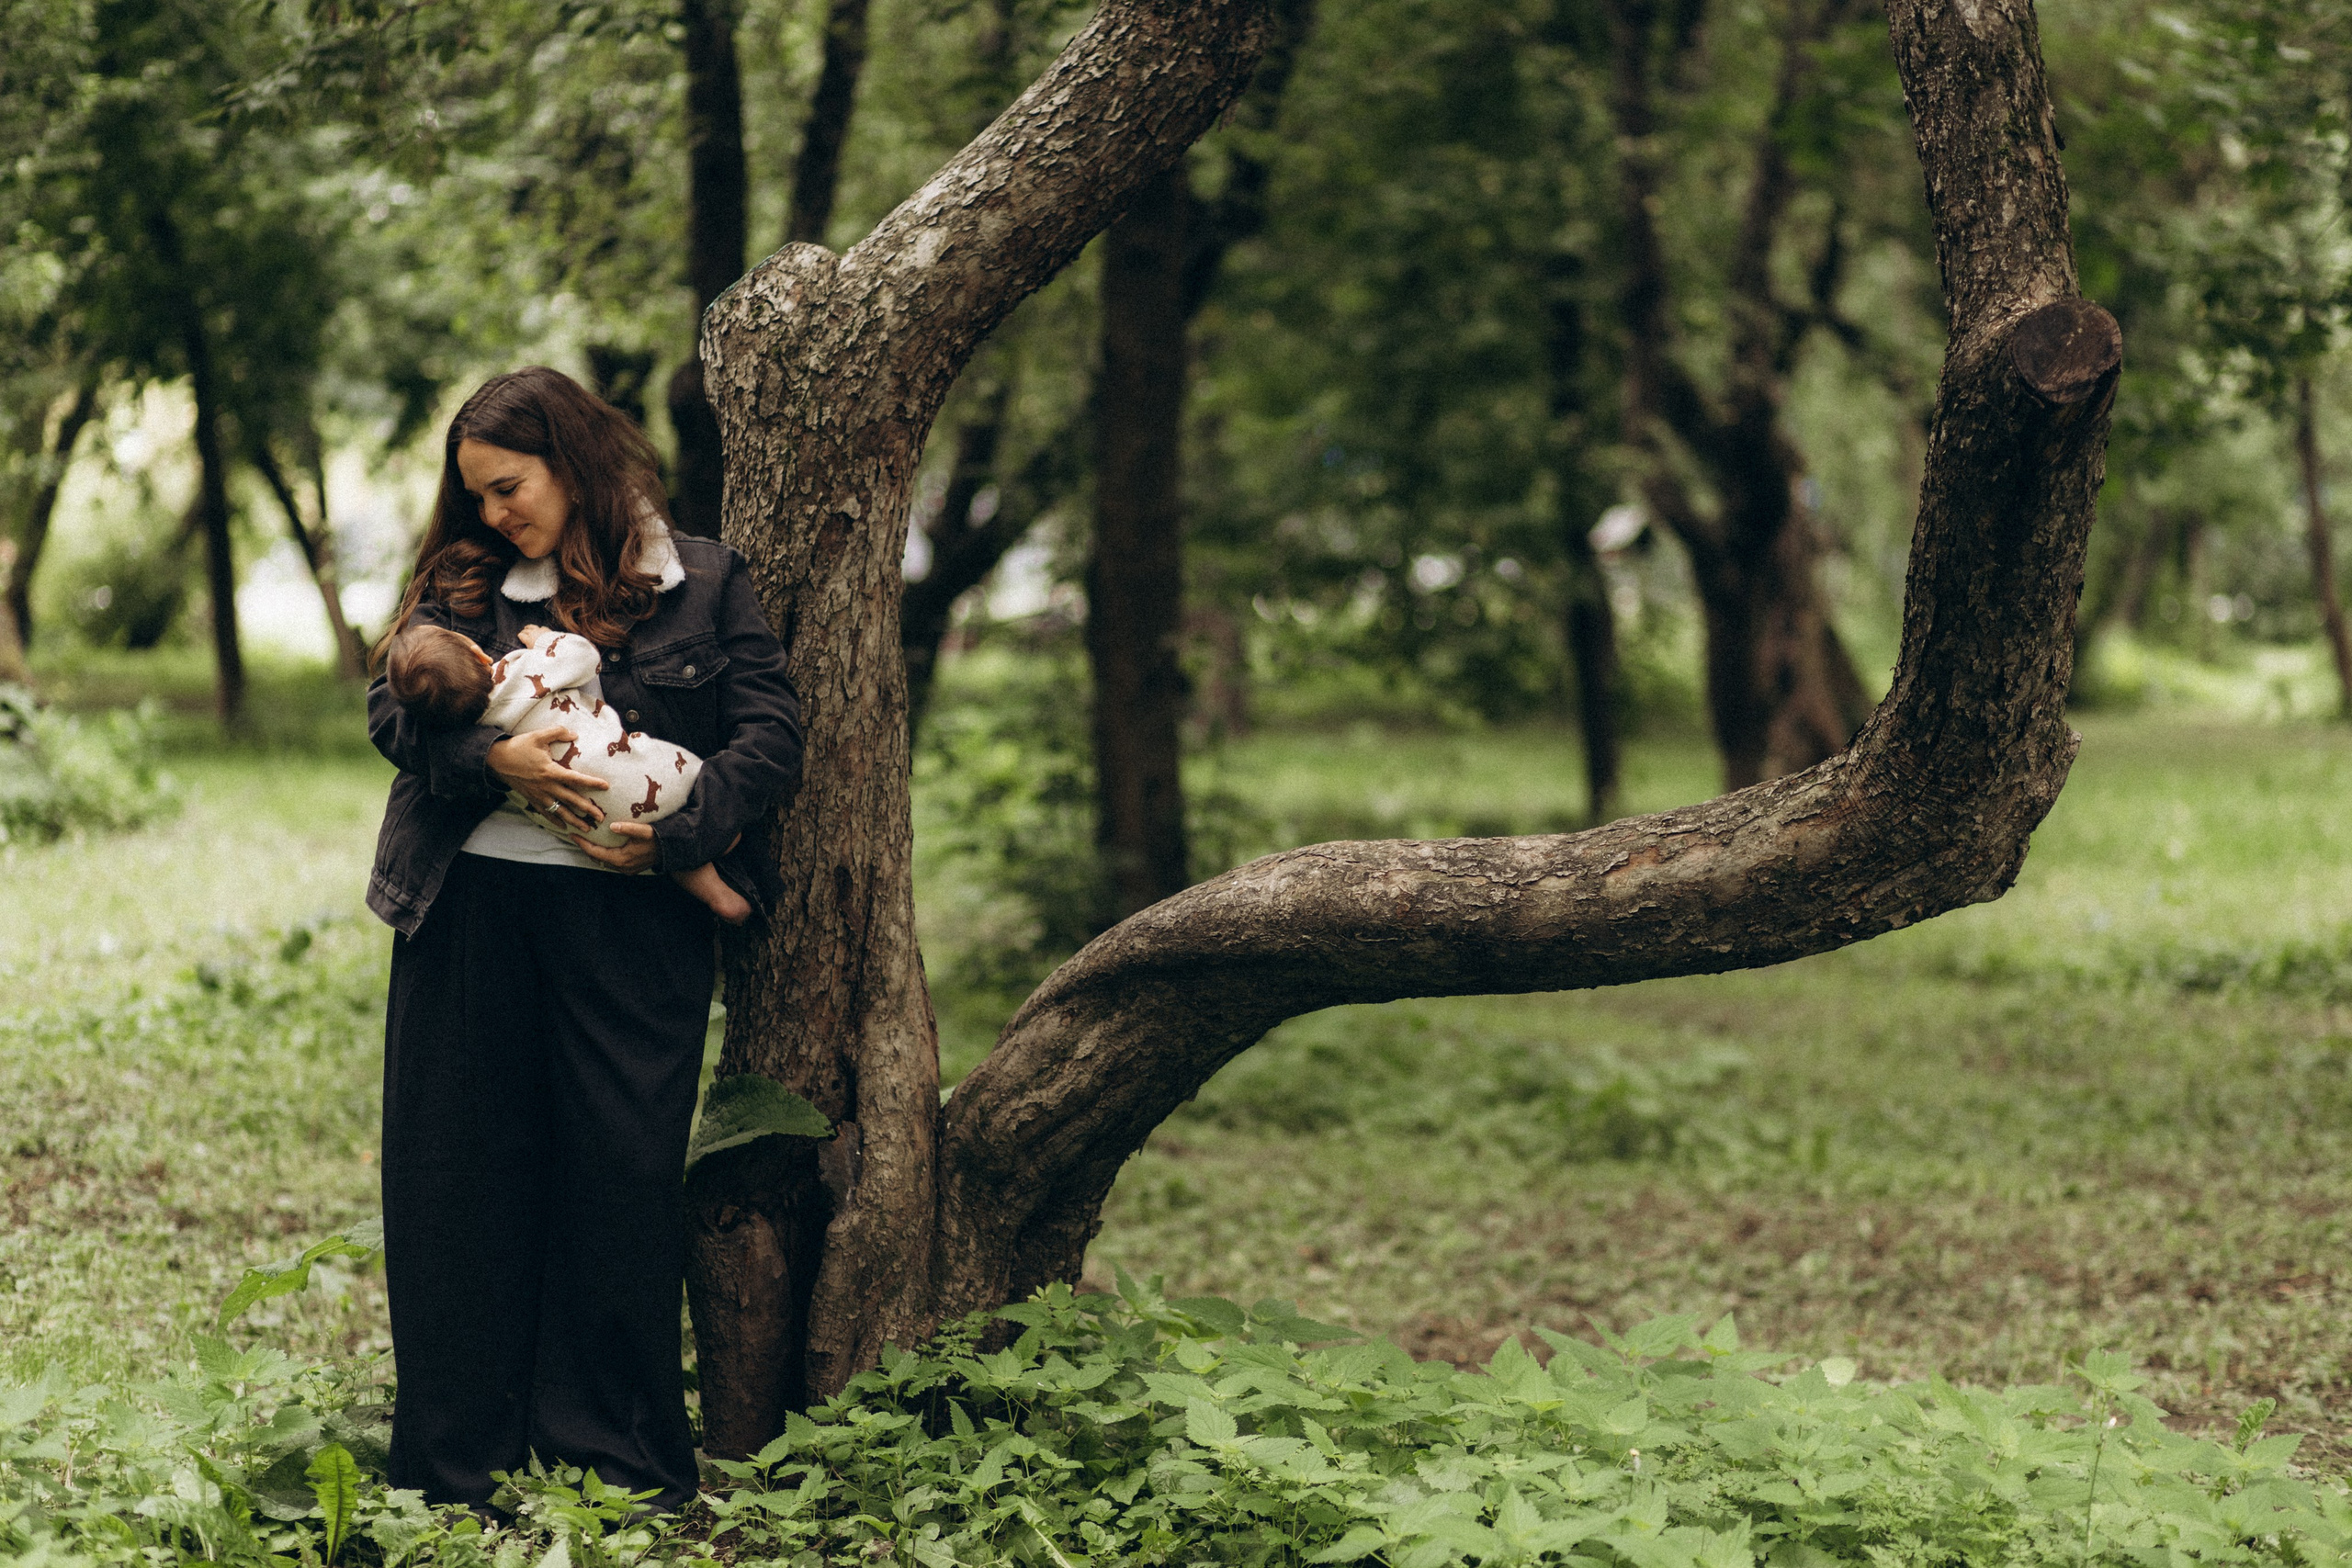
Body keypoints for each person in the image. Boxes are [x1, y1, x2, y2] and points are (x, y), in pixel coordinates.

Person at [364, 366, 803, 1513]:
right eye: (477, 497)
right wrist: (483, 761)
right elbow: (391, 708)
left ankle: (616, 1460)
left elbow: (771, 735)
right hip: (468, 919)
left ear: (575, 461)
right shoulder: (465, 582)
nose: (494, 515)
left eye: (510, 488)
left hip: (629, 924)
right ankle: (458, 1467)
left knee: (620, 1177)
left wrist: (672, 838)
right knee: (458, 1183)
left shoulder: (701, 581)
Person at [384, 620, 751, 923]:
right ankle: (717, 835)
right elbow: (585, 657)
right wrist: (546, 641)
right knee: (687, 771)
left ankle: (718, 895)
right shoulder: (518, 671)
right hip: (639, 778)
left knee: (648, 842)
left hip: (597, 833)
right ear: (479, 654)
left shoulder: (465, 737)